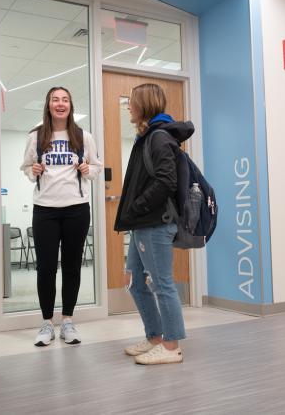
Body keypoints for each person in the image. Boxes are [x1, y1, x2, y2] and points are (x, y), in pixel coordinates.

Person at [114, 83, 193, 365]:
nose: (128, 107)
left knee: (162, 285)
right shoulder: (147, 137)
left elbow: (166, 182)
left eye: (132, 102)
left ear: (144, 104)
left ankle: (171, 347)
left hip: (155, 223)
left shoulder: (159, 138)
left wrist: (137, 207)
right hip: (142, 223)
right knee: (136, 283)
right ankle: (155, 338)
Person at [21, 86, 102, 347]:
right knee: (45, 267)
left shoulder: (83, 136)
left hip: (77, 209)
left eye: (65, 99)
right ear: (48, 105)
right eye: (55, 99)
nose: (60, 103)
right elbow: (27, 169)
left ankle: (67, 321)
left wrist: (88, 168)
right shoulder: (35, 136)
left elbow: (96, 168)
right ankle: (47, 323)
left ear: (70, 105)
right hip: (44, 209)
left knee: (72, 266)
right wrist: (33, 170)